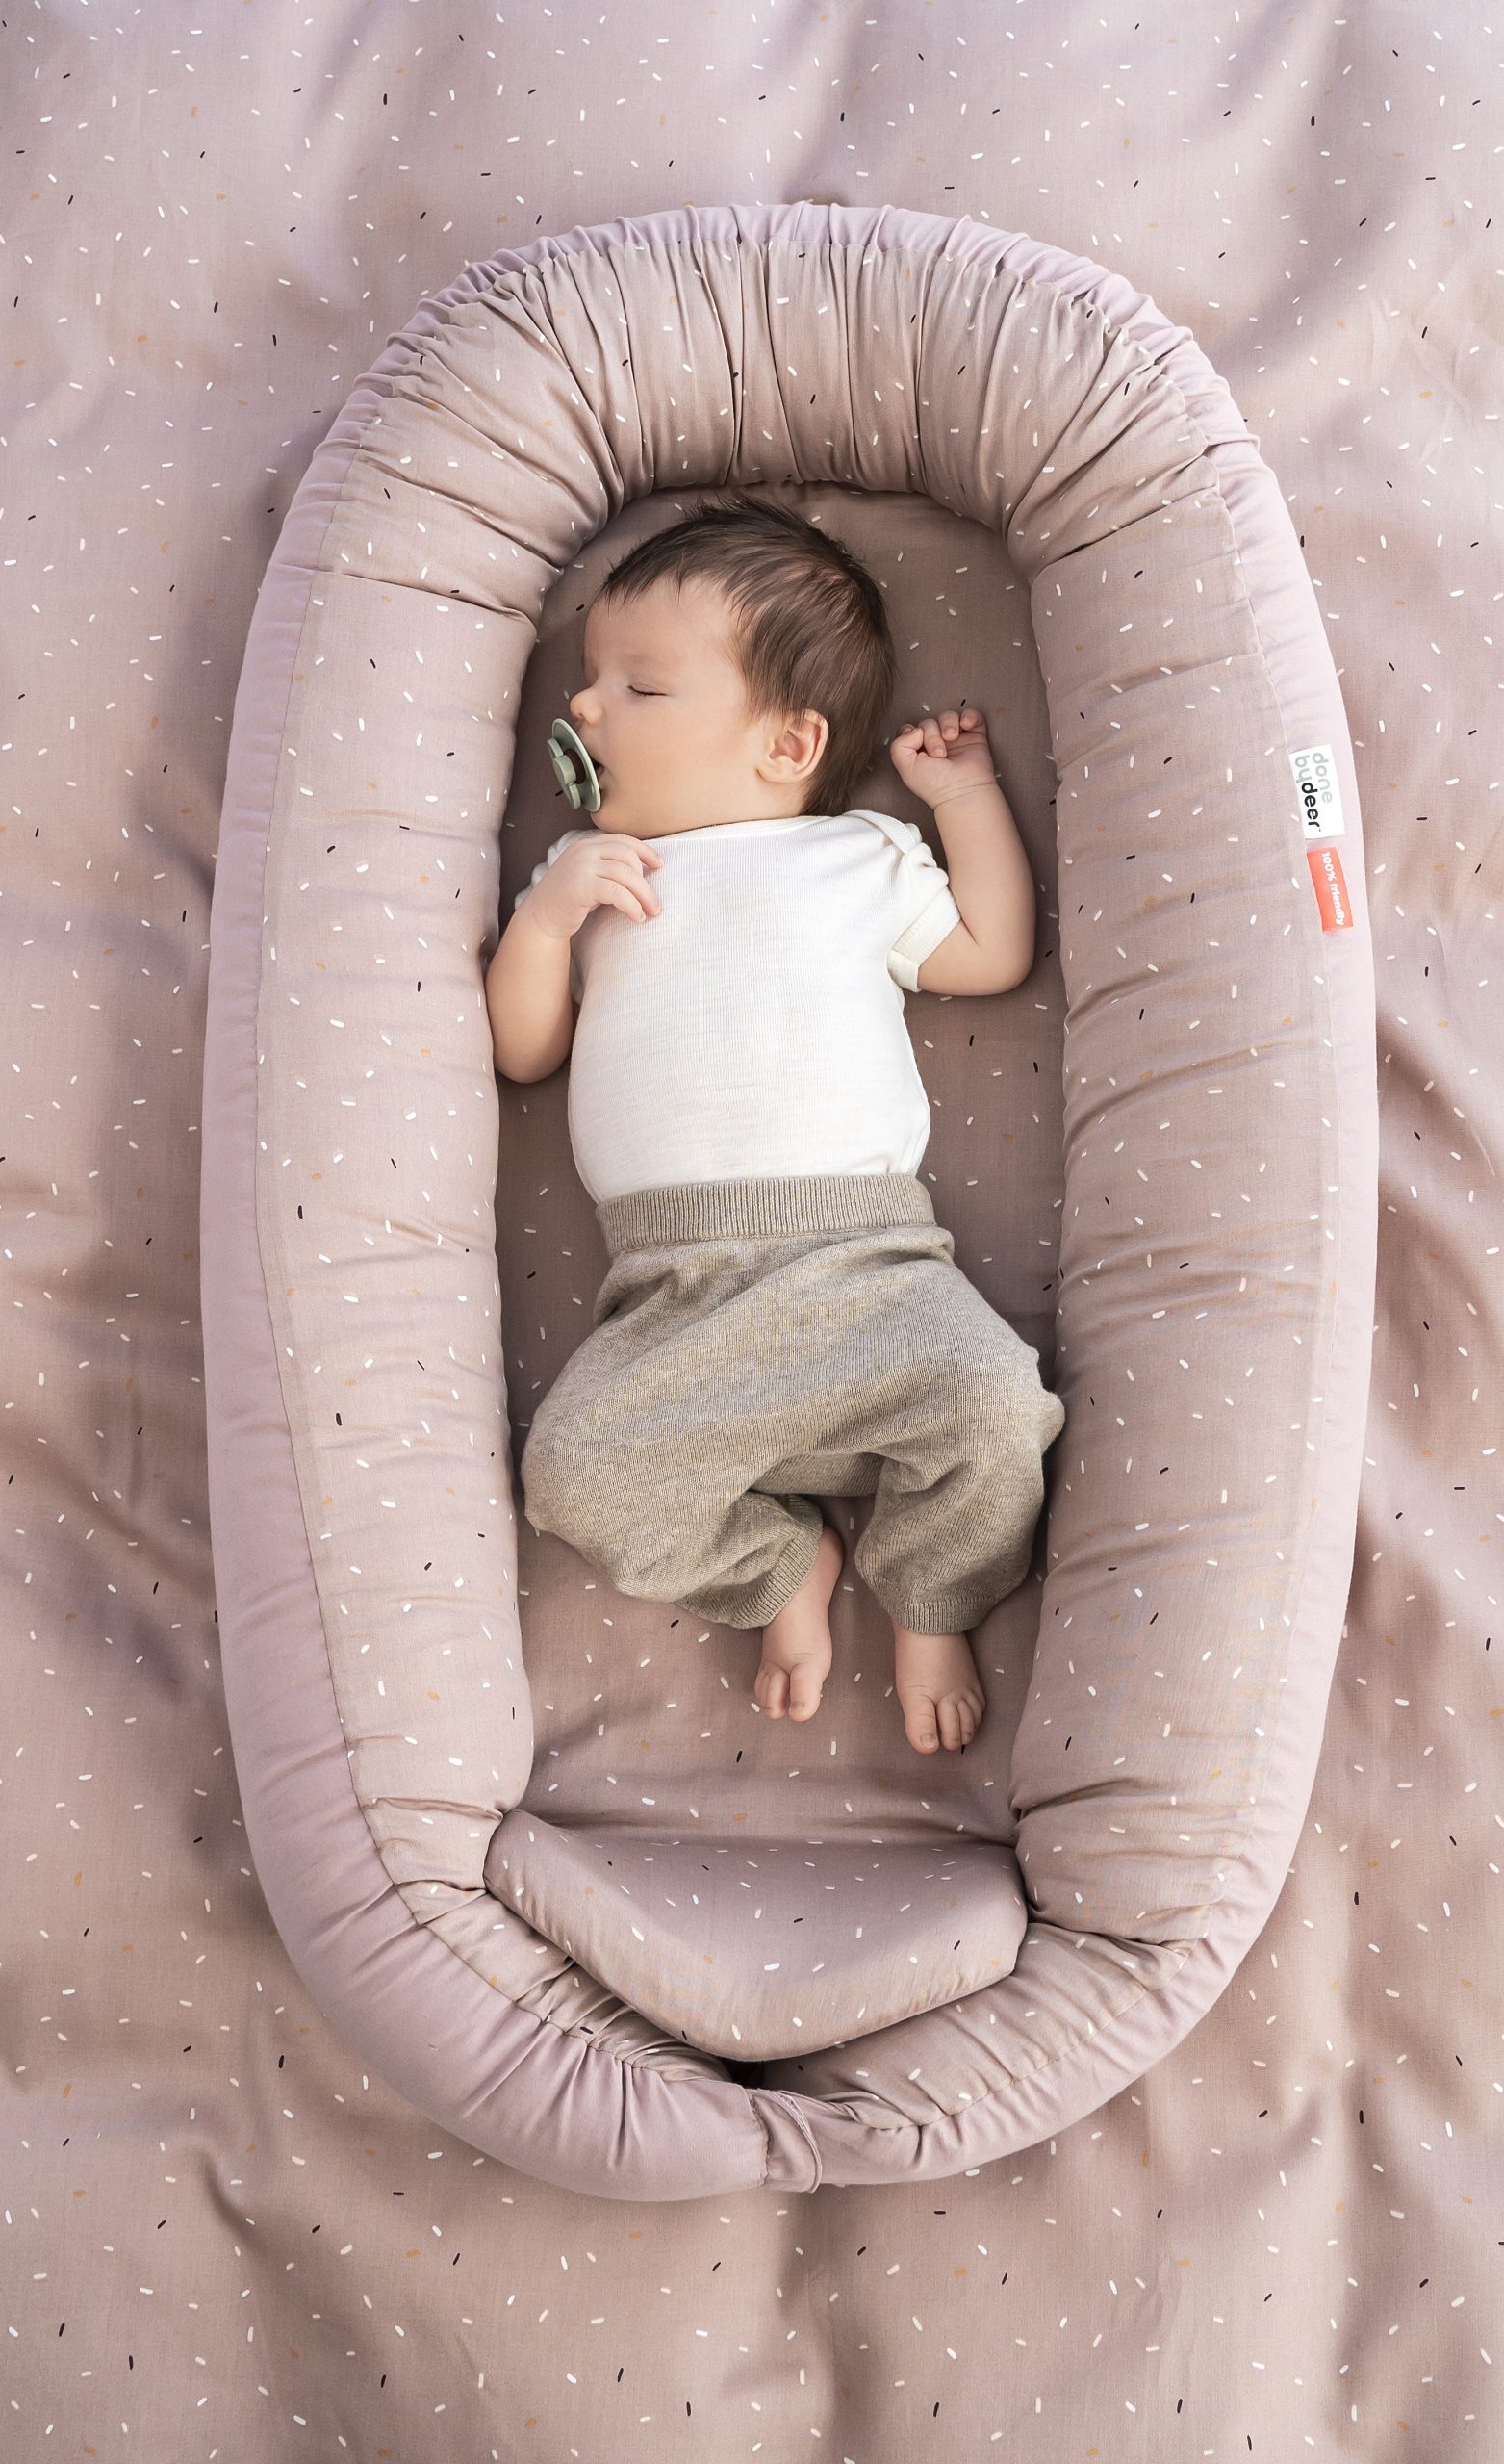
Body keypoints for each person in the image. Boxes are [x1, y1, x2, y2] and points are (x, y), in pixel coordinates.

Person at [484, 491, 1064, 1755]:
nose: (584, 708)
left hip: (869, 1273)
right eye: (591, 681)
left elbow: (992, 953)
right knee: (569, 1480)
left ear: (788, 745)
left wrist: (964, 798)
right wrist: (540, 921)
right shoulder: (587, 879)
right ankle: (777, 1565)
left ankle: (931, 1596)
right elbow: (524, 1053)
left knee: (998, 1408)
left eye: (639, 686)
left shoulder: (858, 857)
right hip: (673, 1302)